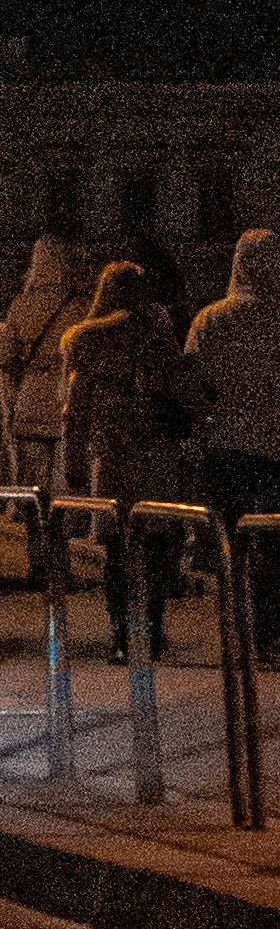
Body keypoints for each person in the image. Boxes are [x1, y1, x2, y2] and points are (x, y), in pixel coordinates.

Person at [57, 258, 198, 656]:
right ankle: (151, 629)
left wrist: (73, 461)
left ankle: (120, 632)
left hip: (110, 452)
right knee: (154, 545)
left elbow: (74, 408)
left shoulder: (82, 339)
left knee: (117, 548)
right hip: (155, 452)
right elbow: (181, 393)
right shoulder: (157, 336)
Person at [185, 229, 280, 649]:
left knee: (229, 544)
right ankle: (269, 630)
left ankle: (233, 630)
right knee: (272, 544)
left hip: (222, 445)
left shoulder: (211, 317)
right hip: (272, 446)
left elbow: (191, 382)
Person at [0, 232, 97, 494]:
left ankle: (34, 531)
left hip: (30, 398)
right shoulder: (84, 307)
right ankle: (61, 532)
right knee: (64, 485)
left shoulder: (22, 304)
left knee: (33, 486)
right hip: (69, 402)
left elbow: (4, 356)